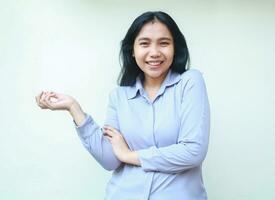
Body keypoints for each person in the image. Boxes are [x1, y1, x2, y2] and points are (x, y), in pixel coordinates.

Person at [35, 11, 210, 200]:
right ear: (132, 51)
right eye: (144, 43)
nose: (154, 52)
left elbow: (193, 151)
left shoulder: (190, 82)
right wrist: (74, 108)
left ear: (175, 48)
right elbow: (111, 160)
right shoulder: (119, 96)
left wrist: (129, 155)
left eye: (164, 43)